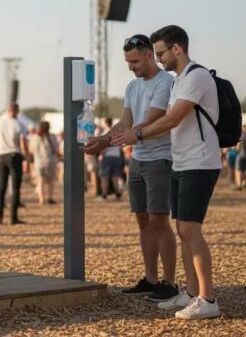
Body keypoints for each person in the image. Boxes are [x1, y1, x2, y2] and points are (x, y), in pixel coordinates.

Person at [113, 25, 222, 319]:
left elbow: (172, 118)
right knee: (182, 230)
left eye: (161, 53)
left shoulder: (196, 76)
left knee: (189, 229)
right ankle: (190, 293)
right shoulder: (179, 81)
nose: (159, 58)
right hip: (183, 161)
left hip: (199, 162)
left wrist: (139, 134)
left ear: (177, 49)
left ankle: (207, 298)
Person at [85, 33, 178, 303]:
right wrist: (104, 140)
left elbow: (149, 121)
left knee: (160, 219)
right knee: (142, 220)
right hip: (137, 159)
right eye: (127, 61)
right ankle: (150, 278)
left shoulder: (165, 83)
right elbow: (126, 123)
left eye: (134, 61)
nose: (130, 66)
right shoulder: (132, 86)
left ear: (150, 55)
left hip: (160, 158)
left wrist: (108, 141)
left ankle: (169, 282)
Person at [0, 102, 28, 225]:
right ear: (17, 111)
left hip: (1, 155)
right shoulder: (20, 124)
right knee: (16, 188)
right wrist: (27, 158)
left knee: (1, 187)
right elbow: (22, 143)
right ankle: (13, 218)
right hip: (14, 155)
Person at [29, 121, 59, 205]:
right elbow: (56, 149)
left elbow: (31, 149)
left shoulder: (35, 137)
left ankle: (41, 199)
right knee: (50, 181)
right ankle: (50, 197)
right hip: (51, 161)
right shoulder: (52, 137)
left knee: (40, 181)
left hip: (39, 162)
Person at [98, 117, 125, 200]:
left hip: (108, 157)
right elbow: (120, 146)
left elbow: (105, 146)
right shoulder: (116, 133)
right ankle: (118, 193)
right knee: (115, 176)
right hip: (116, 157)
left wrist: (101, 154)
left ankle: (104, 194)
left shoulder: (105, 133)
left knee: (105, 176)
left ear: (106, 123)